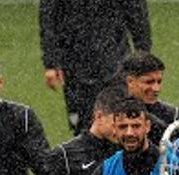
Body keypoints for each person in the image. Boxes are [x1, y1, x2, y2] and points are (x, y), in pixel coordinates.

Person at [39, 0, 151, 134]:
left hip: (114, 59)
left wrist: (143, 53)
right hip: (74, 62)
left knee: (119, 117)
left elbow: (136, 12)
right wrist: (50, 63)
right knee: (85, 124)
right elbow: (48, 18)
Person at [117, 51, 177, 146]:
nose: (156, 89)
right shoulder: (112, 113)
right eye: (149, 82)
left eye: (159, 82)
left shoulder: (170, 113)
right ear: (130, 81)